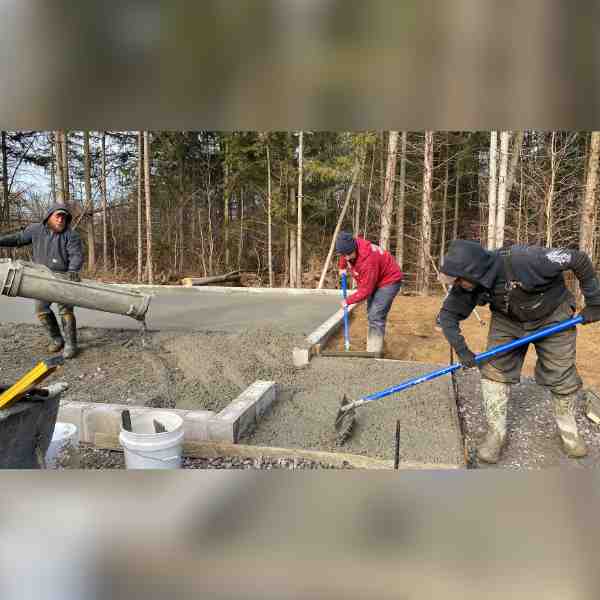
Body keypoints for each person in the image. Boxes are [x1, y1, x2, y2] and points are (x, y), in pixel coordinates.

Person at [438, 240, 600, 463]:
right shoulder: (469, 285)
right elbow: (447, 317)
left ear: (473, 271)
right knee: (494, 371)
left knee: (561, 373)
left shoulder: (528, 259)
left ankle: (569, 431)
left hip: (552, 315)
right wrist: (463, 351)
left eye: (458, 278)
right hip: (508, 319)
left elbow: (578, 258)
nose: (455, 283)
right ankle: (496, 433)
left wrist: (595, 301)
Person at [0, 203, 83, 359]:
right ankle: (57, 339)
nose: (61, 220)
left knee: (65, 311)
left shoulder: (71, 235)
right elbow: (18, 238)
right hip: (41, 276)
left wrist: (73, 270)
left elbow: (76, 255)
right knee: (41, 310)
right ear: (48, 217)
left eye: (64, 217)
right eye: (58, 216)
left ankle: (71, 344)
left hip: (63, 277)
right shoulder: (36, 230)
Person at [335, 231, 403, 356]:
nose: (347, 258)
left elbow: (366, 290)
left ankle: (374, 353)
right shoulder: (348, 247)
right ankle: (378, 341)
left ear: (354, 248)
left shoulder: (367, 260)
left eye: (349, 254)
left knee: (375, 315)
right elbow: (344, 255)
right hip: (376, 278)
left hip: (389, 280)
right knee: (371, 312)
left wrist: (348, 301)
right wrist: (342, 267)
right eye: (344, 255)